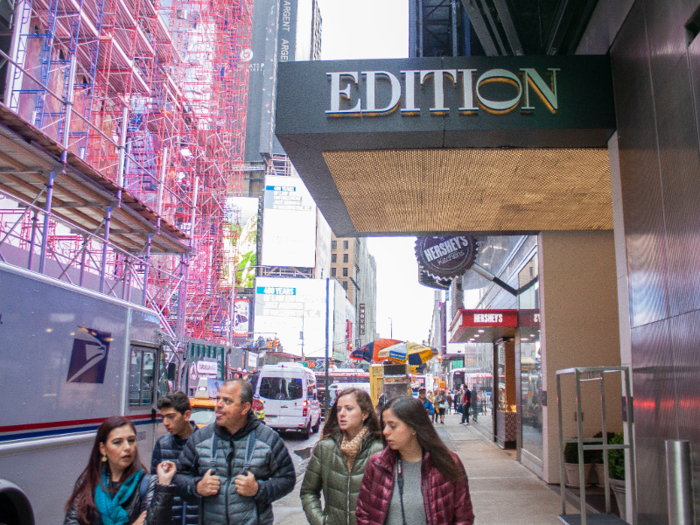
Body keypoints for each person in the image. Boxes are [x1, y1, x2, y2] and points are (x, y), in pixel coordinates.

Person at [174, 379, 295, 525]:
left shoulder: (269, 440)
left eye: (227, 401)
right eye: (218, 399)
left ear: (245, 408)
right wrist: (197, 487)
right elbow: (179, 476)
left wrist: (258, 489)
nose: (218, 405)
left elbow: (287, 479)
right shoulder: (200, 438)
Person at [355, 396, 475, 525]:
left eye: (393, 426)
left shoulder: (448, 463)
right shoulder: (377, 464)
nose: (385, 432)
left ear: (413, 427)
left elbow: (463, 518)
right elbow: (363, 514)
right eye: (384, 425)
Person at [64, 416, 176, 525]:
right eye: (117, 442)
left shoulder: (148, 484)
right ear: (103, 448)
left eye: (131, 440)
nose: (127, 447)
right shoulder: (87, 482)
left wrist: (164, 487)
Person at [300, 387, 384, 525]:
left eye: (349, 409)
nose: (342, 414)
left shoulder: (379, 450)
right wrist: (320, 521)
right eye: (339, 409)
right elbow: (308, 492)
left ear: (365, 414)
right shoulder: (325, 448)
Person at [151, 391, 199, 525]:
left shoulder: (206, 443)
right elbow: (154, 488)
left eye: (171, 416)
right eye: (163, 417)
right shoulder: (162, 445)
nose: (165, 422)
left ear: (187, 415)